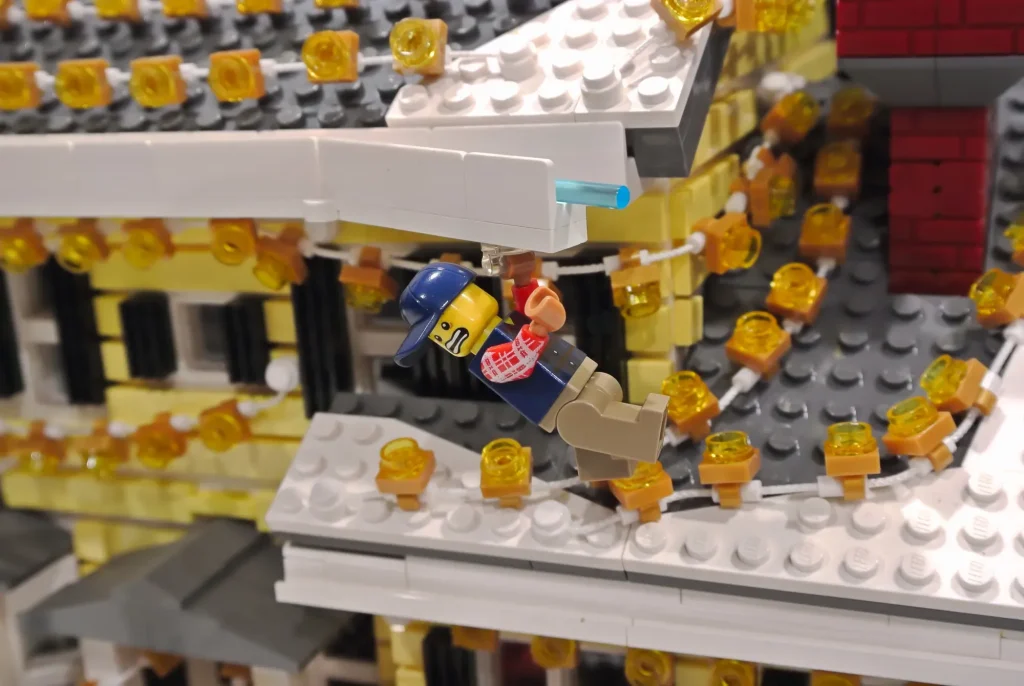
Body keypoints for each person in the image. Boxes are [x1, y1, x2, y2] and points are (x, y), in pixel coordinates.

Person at [393, 259, 668, 481]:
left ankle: (641, 436)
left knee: (591, 423)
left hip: (567, 389)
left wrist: (524, 282)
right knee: (587, 426)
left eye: (441, 330)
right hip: (562, 399)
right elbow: (518, 360)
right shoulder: (488, 359)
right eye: (438, 338)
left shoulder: (506, 329)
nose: (445, 340)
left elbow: (527, 311)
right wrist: (535, 330)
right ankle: (623, 454)